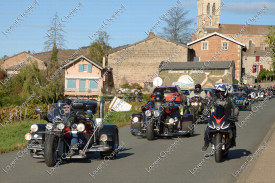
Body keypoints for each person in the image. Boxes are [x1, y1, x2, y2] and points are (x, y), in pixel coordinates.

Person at [201, 84, 239, 151]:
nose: (217, 93)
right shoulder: (215, 97)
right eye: (216, 91)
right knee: (208, 128)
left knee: (233, 126)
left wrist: (235, 116)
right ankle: (206, 143)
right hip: (216, 116)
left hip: (228, 117)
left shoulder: (230, 97)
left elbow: (235, 107)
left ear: (223, 91)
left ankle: (232, 142)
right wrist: (204, 115)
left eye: (219, 91)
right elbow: (208, 106)